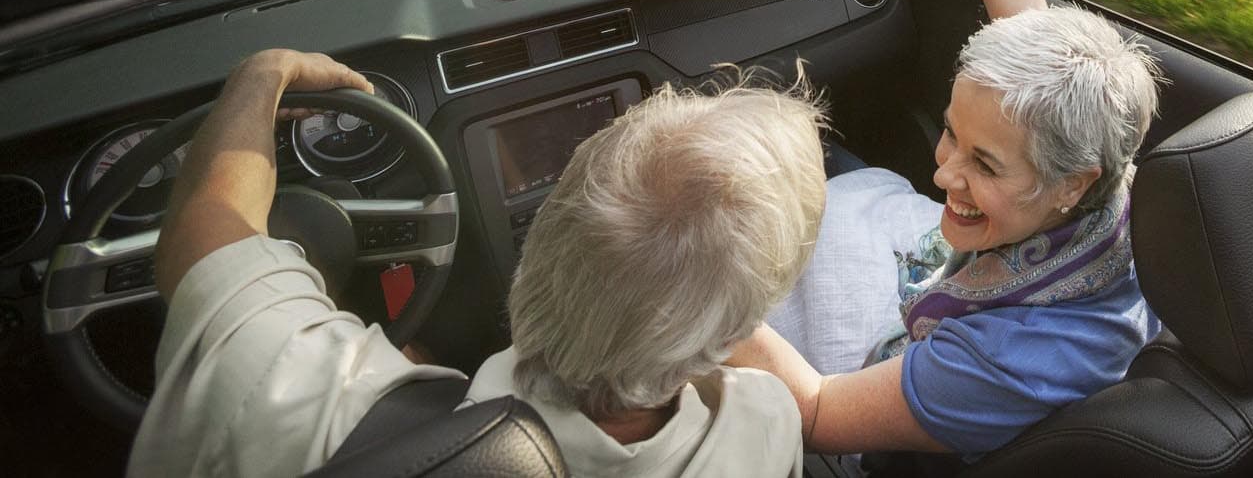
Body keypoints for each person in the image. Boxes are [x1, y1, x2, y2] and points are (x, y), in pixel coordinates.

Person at [729, 0, 1163, 459]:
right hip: (940, 287)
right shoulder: (1102, 189)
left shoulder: (1022, 357)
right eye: (954, 134)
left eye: (984, 164)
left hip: (852, 416)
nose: (941, 171)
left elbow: (821, 413)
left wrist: (678, 284)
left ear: (1072, 182)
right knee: (831, 163)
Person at [129, 48, 826, 477]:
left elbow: (202, 235)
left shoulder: (294, 394)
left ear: (544, 239)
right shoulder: (762, 426)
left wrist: (263, 74)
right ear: (732, 337)